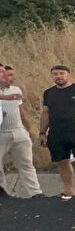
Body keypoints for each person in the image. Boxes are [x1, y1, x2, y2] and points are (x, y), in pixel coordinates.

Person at [39, 65, 75, 198]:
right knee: (62, 161)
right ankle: (69, 190)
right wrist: (42, 132)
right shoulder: (49, 93)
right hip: (57, 132)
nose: (59, 76)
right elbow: (46, 113)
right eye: (55, 74)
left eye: (61, 73)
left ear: (68, 75)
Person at [0, 66, 46, 198]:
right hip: (1, 133)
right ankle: (3, 193)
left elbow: (20, 109)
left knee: (26, 163)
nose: (9, 77)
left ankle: (35, 193)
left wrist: (29, 127)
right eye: (5, 74)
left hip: (18, 131)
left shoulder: (16, 90)